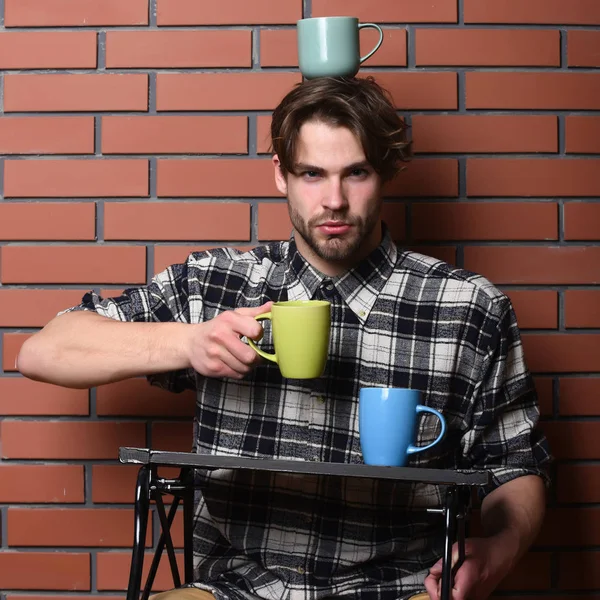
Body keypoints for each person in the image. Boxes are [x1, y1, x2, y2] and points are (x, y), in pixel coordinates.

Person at [17, 76, 551, 600]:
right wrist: (187, 343)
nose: (335, 200)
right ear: (281, 175)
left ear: (385, 173)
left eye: (356, 172)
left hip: (400, 587)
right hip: (235, 587)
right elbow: (44, 351)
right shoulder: (217, 285)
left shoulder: (469, 307)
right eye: (312, 174)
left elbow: (515, 465)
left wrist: (500, 550)